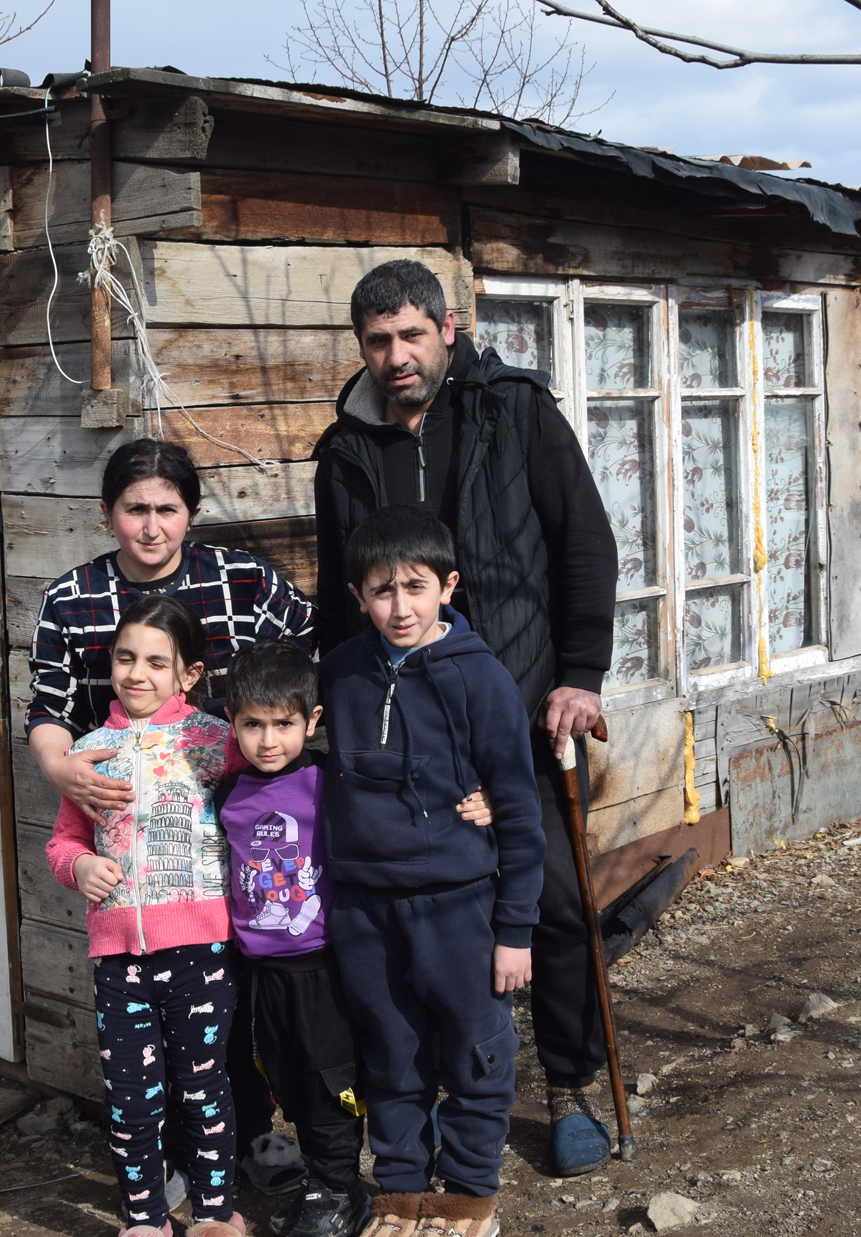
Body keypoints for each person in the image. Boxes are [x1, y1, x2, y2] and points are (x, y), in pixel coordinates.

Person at [311, 260, 620, 1176]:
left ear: (448, 329)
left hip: (518, 701)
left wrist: (581, 675)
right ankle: (436, 1092)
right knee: (409, 914)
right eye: (378, 341)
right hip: (402, 727)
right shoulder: (345, 448)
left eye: (412, 334)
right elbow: (336, 586)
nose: (396, 356)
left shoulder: (513, 410)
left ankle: (568, 1083)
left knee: (553, 900)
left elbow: (584, 540)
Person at [31, 437, 316, 1192]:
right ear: (108, 513)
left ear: (190, 512)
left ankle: (247, 1138)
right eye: (135, 509)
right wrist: (65, 772)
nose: (151, 527)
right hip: (125, 813)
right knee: (148, 1040)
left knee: (236, 1004)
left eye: (167, 508)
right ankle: (174, 1161)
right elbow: (49, 708)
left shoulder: (241, 579)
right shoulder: (72, 598)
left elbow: (315, 649)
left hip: (237, 812)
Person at [320, 507, 545, 1237]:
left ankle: (469, 1196)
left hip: (459, 906)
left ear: (447, 586)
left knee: (479, 1052)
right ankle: (402, 1195)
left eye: (415, 587)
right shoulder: (340, 673)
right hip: (364, 909)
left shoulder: (481, 678)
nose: (400, 607)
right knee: (390, 1055)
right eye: (381, 590)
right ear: (357, 596)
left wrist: (515, 931)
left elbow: (519, 809)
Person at [45, 595, 248, 1237]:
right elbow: (63, 841)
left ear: (189, 674)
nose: (137, 674)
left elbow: (276, 781)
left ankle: (215, 1216)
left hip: (201, 952)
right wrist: (79, 867)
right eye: (125, 658)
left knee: (203, 1090)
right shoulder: (89, 751)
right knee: (131, 1101)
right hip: (118, 960)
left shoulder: (215, 741)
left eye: (157, 662)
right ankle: (144, 1220)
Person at [213, 641, 364, 1237]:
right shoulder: (228, 794)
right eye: (253, 724)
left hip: (323, 970)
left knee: (330, 1083)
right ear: (232, 721)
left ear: (312, 720)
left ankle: (339, 1189)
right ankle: (315, 1177)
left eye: (283, 724)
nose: (268, 740)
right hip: (260, 975)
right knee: (286, 1081)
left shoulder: (329, 780)